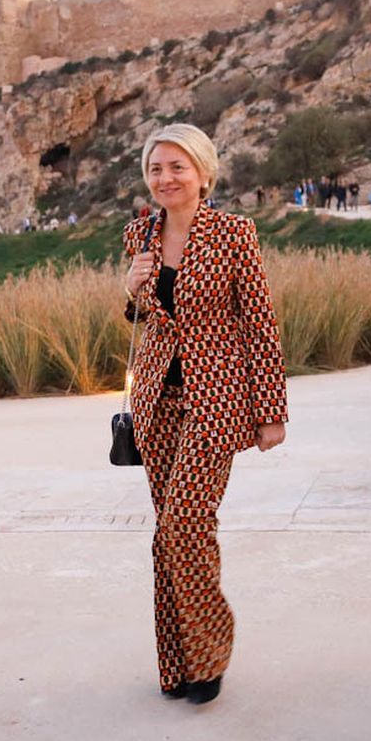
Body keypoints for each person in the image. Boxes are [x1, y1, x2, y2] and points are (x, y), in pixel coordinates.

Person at [121, 123, 288, 705]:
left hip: (216, 400)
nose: (165, 178)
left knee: (185, 522)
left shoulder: (234, 234)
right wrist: (130, 287)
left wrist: (270, 410)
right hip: (155, 401)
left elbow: (258, 323)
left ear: (203, 172)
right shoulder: (138, 234)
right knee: (168, 532)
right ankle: (178, 666)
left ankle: (210, 652)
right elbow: (142, 316)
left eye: (177, 167)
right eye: (156, 169)